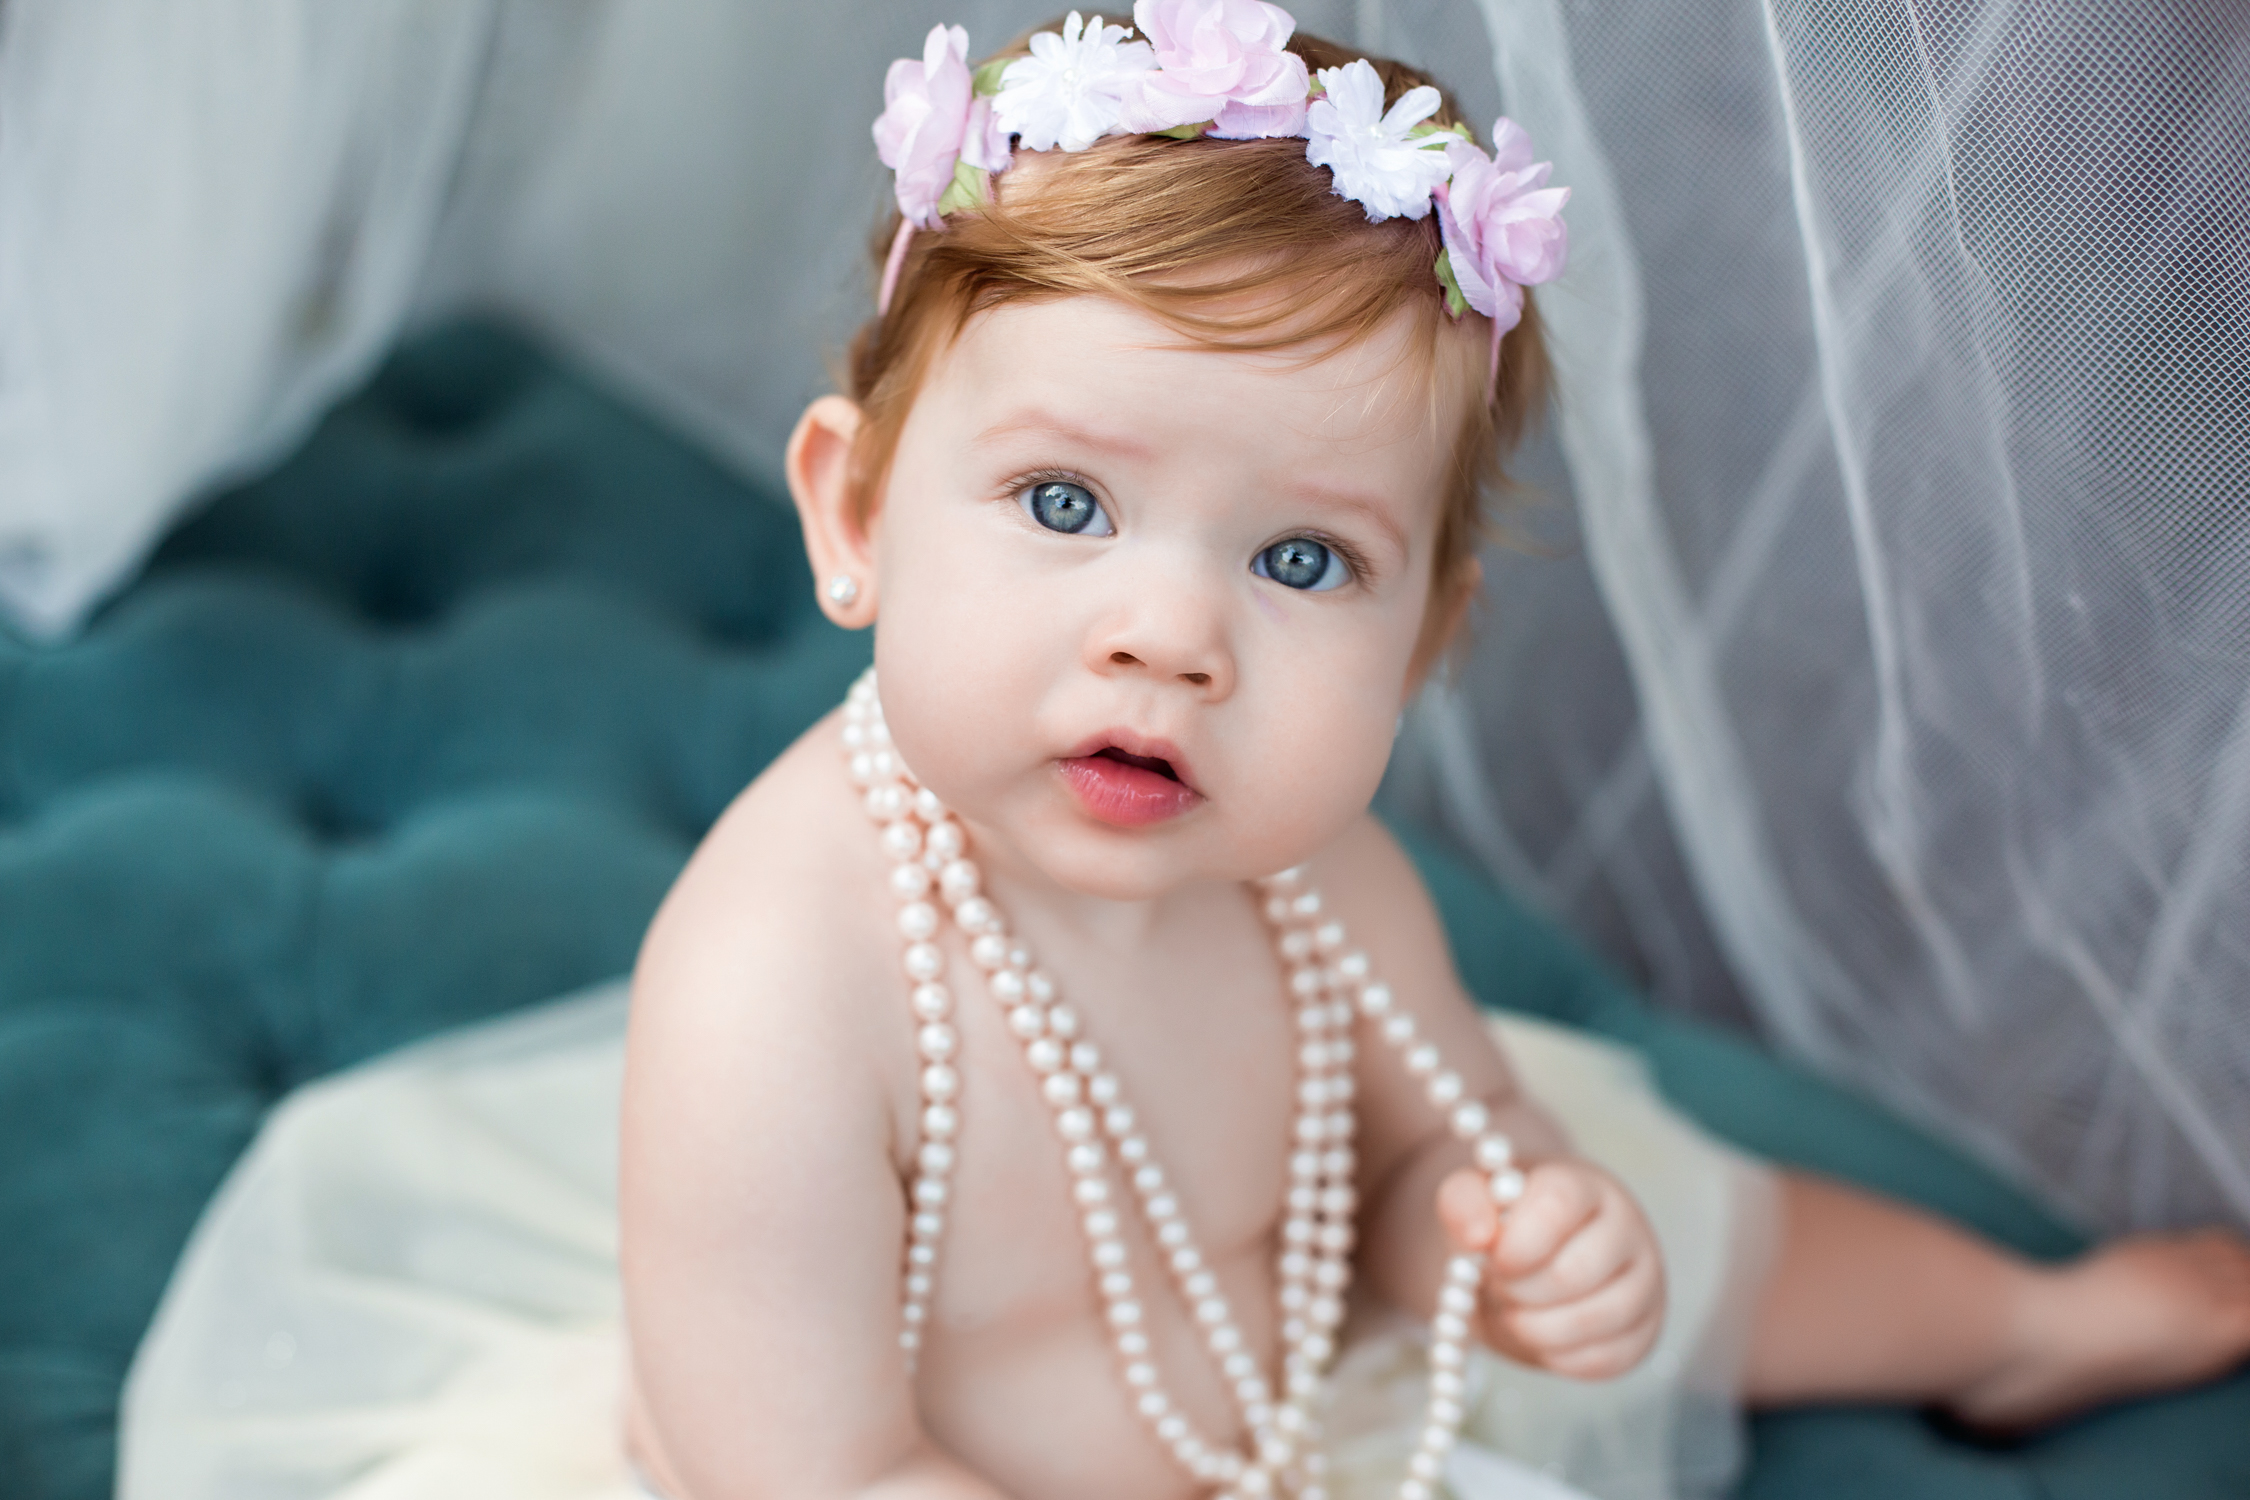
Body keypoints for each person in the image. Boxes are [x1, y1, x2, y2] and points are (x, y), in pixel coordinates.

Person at [117, 10, 2250, 1500]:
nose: (1172, 631)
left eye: (1307, 557)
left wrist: (1511, 1234)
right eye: (1062, 504)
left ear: (1426, 640)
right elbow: (816, 1471)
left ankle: (2006, 1320)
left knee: (1678, 1210)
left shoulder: (1325, 888)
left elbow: (1439, 1166)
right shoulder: (783, 985)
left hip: (1292, 1397)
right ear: (856, 515)